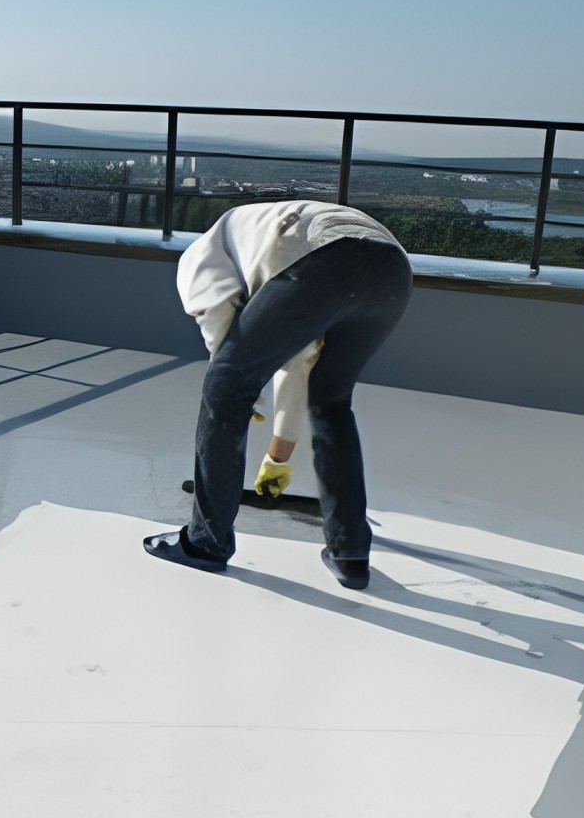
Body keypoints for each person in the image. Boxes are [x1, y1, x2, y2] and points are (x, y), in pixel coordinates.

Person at [143, 200, 413, 590]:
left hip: (326, 256)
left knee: (223, 387)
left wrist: (238, 385)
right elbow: (300, 362)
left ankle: (205, 543)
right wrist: (277, 455)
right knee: (331, 401)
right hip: (392, 269)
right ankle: (349, 552)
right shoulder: (259, 237)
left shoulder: (199, 255)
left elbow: (215, 313)